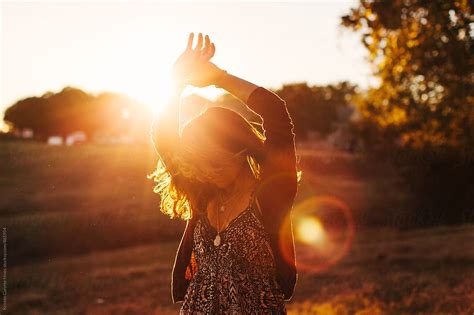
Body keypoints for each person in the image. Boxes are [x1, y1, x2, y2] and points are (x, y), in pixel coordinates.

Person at [148, 32, 302, 314]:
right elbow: (165, 137)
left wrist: (219, 78)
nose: (204, 172)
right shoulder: (202, 191)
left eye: (213, 162)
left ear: (241, 152)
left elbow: (276, 113)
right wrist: (175, 83)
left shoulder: (271, 194)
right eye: (197, 165)